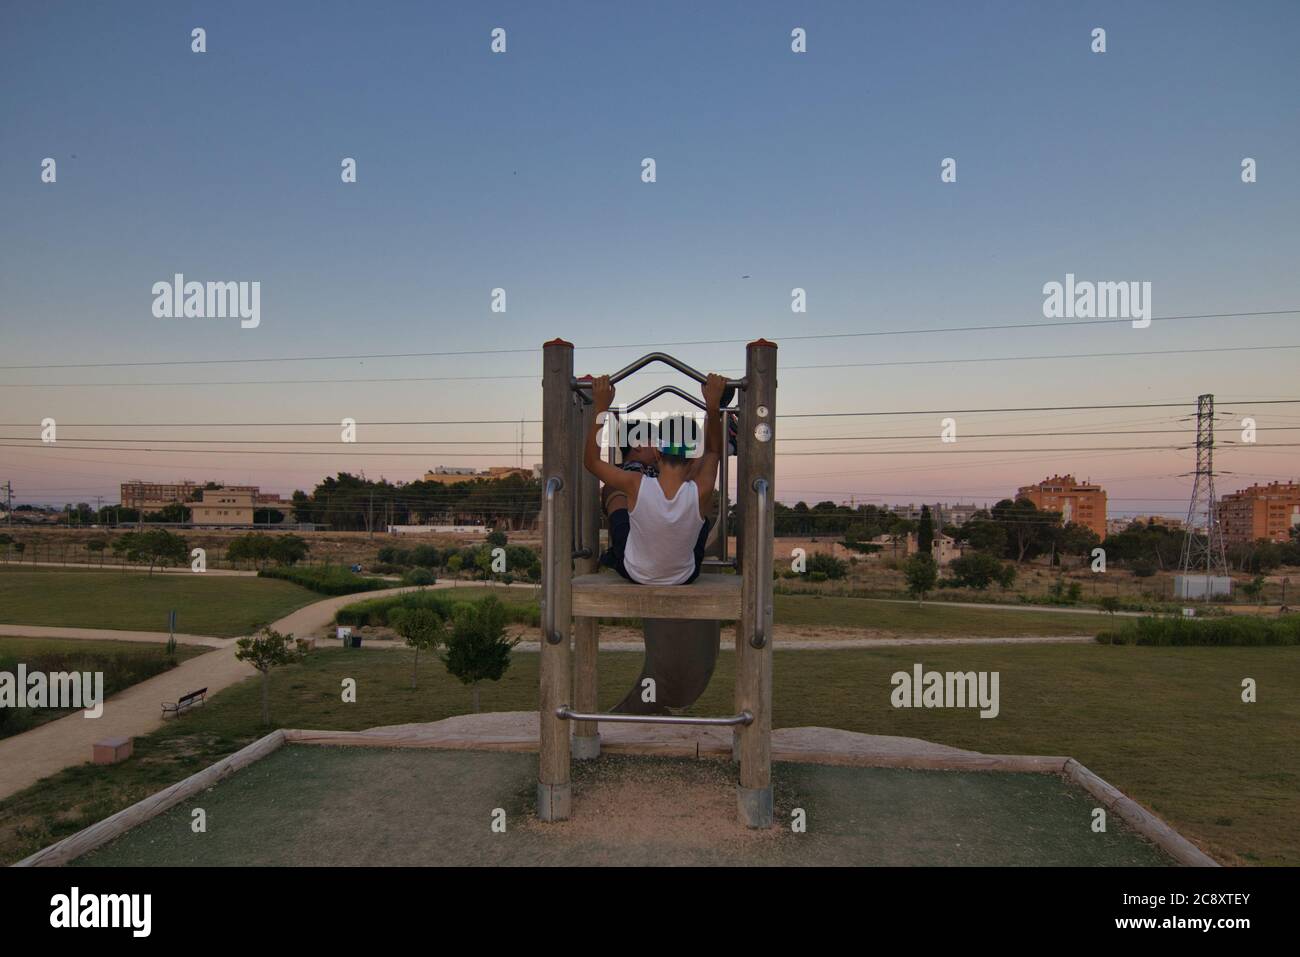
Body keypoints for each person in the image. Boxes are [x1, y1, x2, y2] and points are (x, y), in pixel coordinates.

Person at [584, 372, 726, 585]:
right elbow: (714, 451)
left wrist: (601, 408)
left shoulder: (635, 483)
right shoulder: (701, 490)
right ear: (692, 458)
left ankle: (612, 556)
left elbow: (592, 462)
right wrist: (713, 408)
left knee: (626, 522)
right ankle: (715, 421)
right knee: (702, 519)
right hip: (684, 577)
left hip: (636, 574)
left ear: (658, 454)